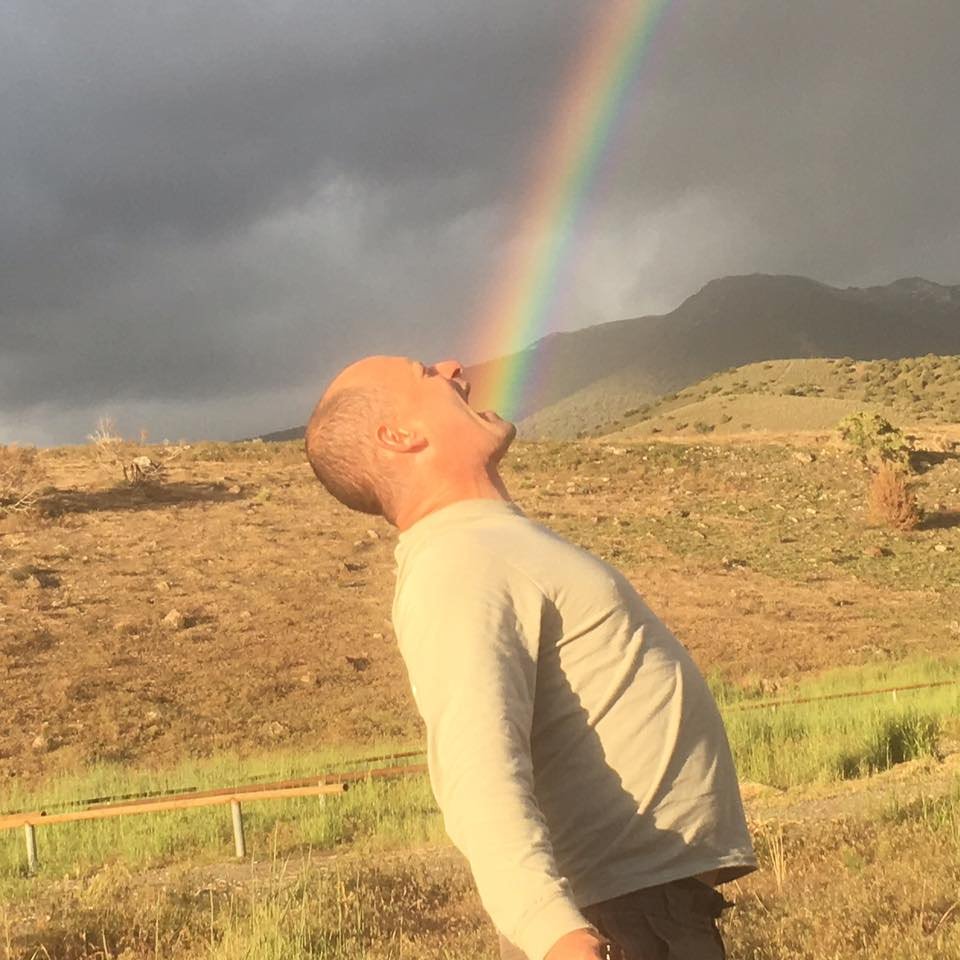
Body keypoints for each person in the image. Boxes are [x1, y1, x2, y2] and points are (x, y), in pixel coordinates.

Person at [305, 356, 756, 960]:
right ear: (401, 436)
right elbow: (476, 765)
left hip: (645, 910)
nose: (452, 365)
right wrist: (556, 936)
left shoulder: (486, 544)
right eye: (424, 373)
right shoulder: (459, 559)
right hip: (617, 922)